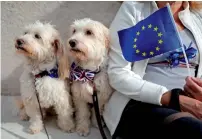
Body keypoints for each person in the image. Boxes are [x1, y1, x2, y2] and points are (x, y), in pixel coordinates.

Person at [103, 1, 202, 139]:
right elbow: (118, 74)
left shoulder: (197, 17)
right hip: (143, 104)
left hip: (193, 104)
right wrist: (174, 99)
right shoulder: (134, 9)